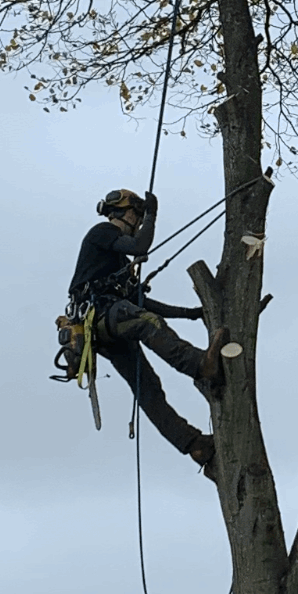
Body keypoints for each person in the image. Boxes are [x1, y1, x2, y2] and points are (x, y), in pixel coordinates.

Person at [62, 189, 231, 477]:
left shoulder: (118, 265)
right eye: (137, 216)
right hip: (101, 316)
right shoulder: (101, 232)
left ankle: (194, 445)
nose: (138, 222)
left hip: (110, 325)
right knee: (146, 323)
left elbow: (143, 302)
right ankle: (200, 365)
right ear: (127, 213)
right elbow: (140, 246)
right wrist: (153, 215)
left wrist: (189, 313)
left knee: (148, 389)